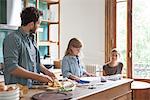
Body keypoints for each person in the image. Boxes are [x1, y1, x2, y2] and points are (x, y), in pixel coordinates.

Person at [3, 7, 56, 88]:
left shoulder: (32, 39)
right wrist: (39, 77)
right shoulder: (12, 39)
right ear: (31, 24)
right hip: (18, 91)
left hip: (32, 88)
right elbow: (12, 68)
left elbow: (36, 63)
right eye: (38, 23)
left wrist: (47, 72)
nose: (39, 26)